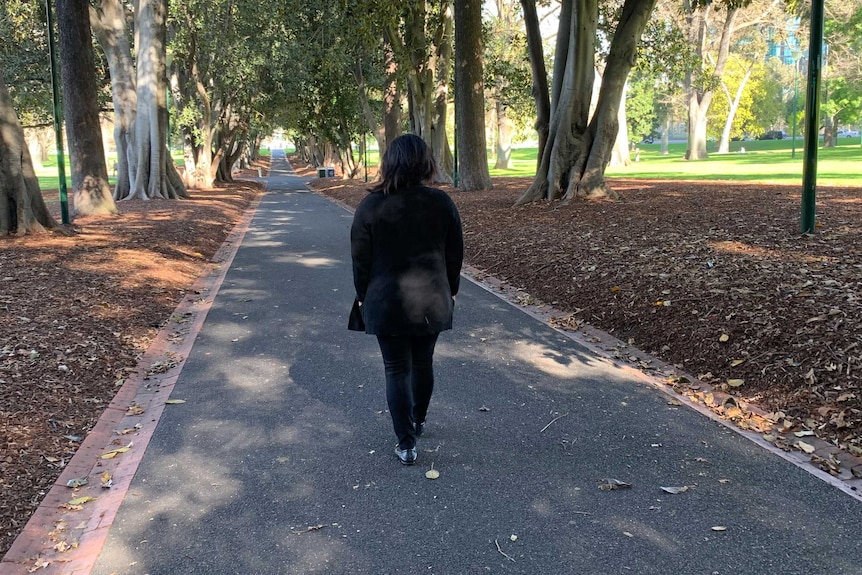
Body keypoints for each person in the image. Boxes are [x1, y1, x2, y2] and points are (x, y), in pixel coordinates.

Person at [349, 134, 464, 465]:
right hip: (432, 299)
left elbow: (360, 259)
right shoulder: (441, 203)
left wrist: (362, 297)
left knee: (396, 368)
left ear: (389, 163)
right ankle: (419, 419)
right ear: (425, 163)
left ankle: (406, 443)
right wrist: (451, 287)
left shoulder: (370, 206)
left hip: (386, 302)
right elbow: (455, 254)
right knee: (423, 362)